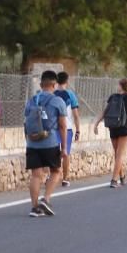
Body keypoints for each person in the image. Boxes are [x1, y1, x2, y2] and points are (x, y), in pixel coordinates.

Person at [24, 71, 67, 217]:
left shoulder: (31, 100)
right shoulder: (58, 101)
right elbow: (62, 126)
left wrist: (29, 142)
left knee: (36, 175)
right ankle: (46, 199)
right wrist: (64, 147)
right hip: (50, 143)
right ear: (54, 85)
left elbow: (26, 123)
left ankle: (34, 207)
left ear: (41, 85)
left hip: (32, 143)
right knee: (56, 171)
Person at [93, 79, 127, 188]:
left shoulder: (113, 97)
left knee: (117, 154)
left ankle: (122, 176)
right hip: (124, 127)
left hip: (113, 127)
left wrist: (96, 124)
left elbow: (105, 111)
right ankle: (114, 180)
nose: (117, 86)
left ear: (121, 86)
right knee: (120, 154)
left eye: (118, 85)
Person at [54, 72, 81, 187]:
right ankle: (65, 178)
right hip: (67, 129)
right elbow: (75, 115)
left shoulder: (53, 94)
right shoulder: (71, 95)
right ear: (67, 81)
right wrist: (78, 130)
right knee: (66, 154)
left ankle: (52, 177)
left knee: (53, 153)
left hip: (54, 128)